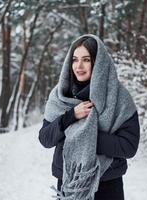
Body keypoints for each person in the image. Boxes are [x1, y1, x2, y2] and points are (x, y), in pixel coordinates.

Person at [39, 34, 140, 200]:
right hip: (69, 184)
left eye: (86, 60)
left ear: (98, 63)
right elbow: (45, 139)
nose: (79, 66)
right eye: (74, 59)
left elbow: (129, 146)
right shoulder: (59, 96)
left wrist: (85, 136)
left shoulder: (119, 98)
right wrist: (71, 116)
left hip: (108, 184)